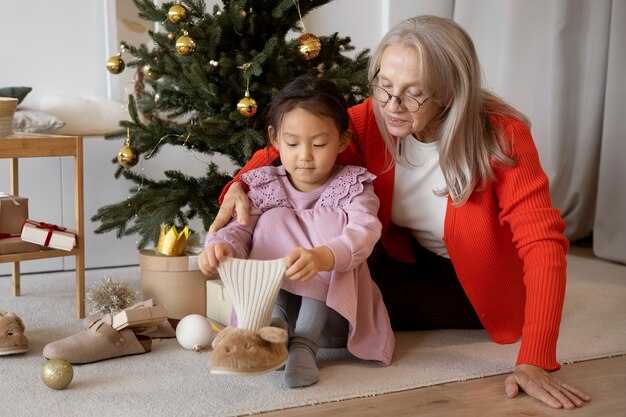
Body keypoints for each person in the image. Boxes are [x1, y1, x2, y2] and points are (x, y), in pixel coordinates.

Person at [209, 15, 591, 409]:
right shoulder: (371, 120)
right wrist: (237, 184)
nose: (391, 106)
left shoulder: (503, 136)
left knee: (347, 307)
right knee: (311, 238)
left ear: (448, 92)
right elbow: (283, 151)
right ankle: (273, 326)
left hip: (467, 283)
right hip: (402, 258)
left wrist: (536, 358)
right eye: (384, 86)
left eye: (413, 94)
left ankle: (296, 332)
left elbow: (543, 243)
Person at [199, 75, 395, 388]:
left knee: (329, 225)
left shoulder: (354, 187)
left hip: (333, 316)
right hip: (276, 300)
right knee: (273, 221)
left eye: (319, 144)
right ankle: (273, 332)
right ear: (275, 139)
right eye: (292, 144)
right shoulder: (265, 185)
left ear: (342, 141)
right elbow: (238, 229)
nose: (304, 156)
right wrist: (221, 247)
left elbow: (365, 231)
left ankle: (303, 345)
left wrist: (323, 257)